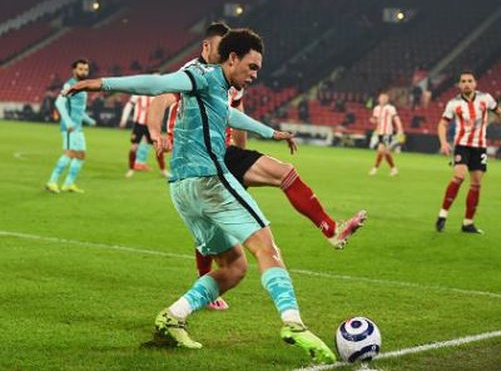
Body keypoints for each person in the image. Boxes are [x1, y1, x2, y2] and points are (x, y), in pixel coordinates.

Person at [65, 29, 336, 363]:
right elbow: (156, 84)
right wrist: (102, 84)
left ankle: (173, 317)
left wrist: (271, 133)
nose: (255, 75)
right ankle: (293, 322)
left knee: (234, 267)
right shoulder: (202, 75)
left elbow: (227, 114)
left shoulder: (216, 87)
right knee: (267, 248)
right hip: (209, 181)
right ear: (231, 58)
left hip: (181, 190)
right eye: (251, 67)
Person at [147, 23, 366, 310]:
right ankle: (208, 286)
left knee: (284, 172)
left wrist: (242, 153)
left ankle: (331, 230)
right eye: (221, 49)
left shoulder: (228, 76)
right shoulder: (192, 72)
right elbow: (160, 99)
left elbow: (236, 112)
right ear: (206, 48)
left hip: (225, 152)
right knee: (210, 225)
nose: (227, 55)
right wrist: (156, 133)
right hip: (197, 157)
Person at [435, 71, 501, 233]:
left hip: (480, 147)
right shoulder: (453, 103)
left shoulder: (486, 98)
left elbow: (499, 112)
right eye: (463, 81)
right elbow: (442, 124)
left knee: (476, 184)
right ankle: (443, 214)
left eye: (470, 81)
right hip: (461, 145)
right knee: (459, 177)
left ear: (475, 83)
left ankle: (468, 223)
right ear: (460, 85)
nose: (467, 84)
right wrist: (443, 142)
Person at [45, 59, 96, 193]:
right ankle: (52, 181)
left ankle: (68, 184)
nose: (83, 71)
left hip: (78, 127)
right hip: (69, 128)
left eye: (85, 69)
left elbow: (78, 109)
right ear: (74, 70)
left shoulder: (83, 86)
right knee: (69, 154)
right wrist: (67, 122)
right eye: (80, 69)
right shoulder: (70, 85)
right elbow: (59, 103)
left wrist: (89, 120)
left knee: (81, 155)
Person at [119, 93, 168, 178]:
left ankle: (163, 170)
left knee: (158, 148)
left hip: (151, 125)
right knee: (134, 148)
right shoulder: (138, 93)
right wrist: (124, 119)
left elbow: (160, 109)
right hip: (139, 124)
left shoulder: (156, 94)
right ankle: (131, 169)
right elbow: (129, 105)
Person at [368, 93, 404, 176]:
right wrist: (373, 120)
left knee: (381, 150)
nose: (383, 99)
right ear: (379, 99)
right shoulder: (376, 108)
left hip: (387, 133)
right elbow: (376, 120)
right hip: (379, 132)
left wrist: (400, 129)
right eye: (381, 98)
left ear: (387, 100)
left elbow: (396, 118)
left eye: (385, 98)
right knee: (386, 152)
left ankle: (375, 169)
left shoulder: (390, 108)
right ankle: (394, 169)